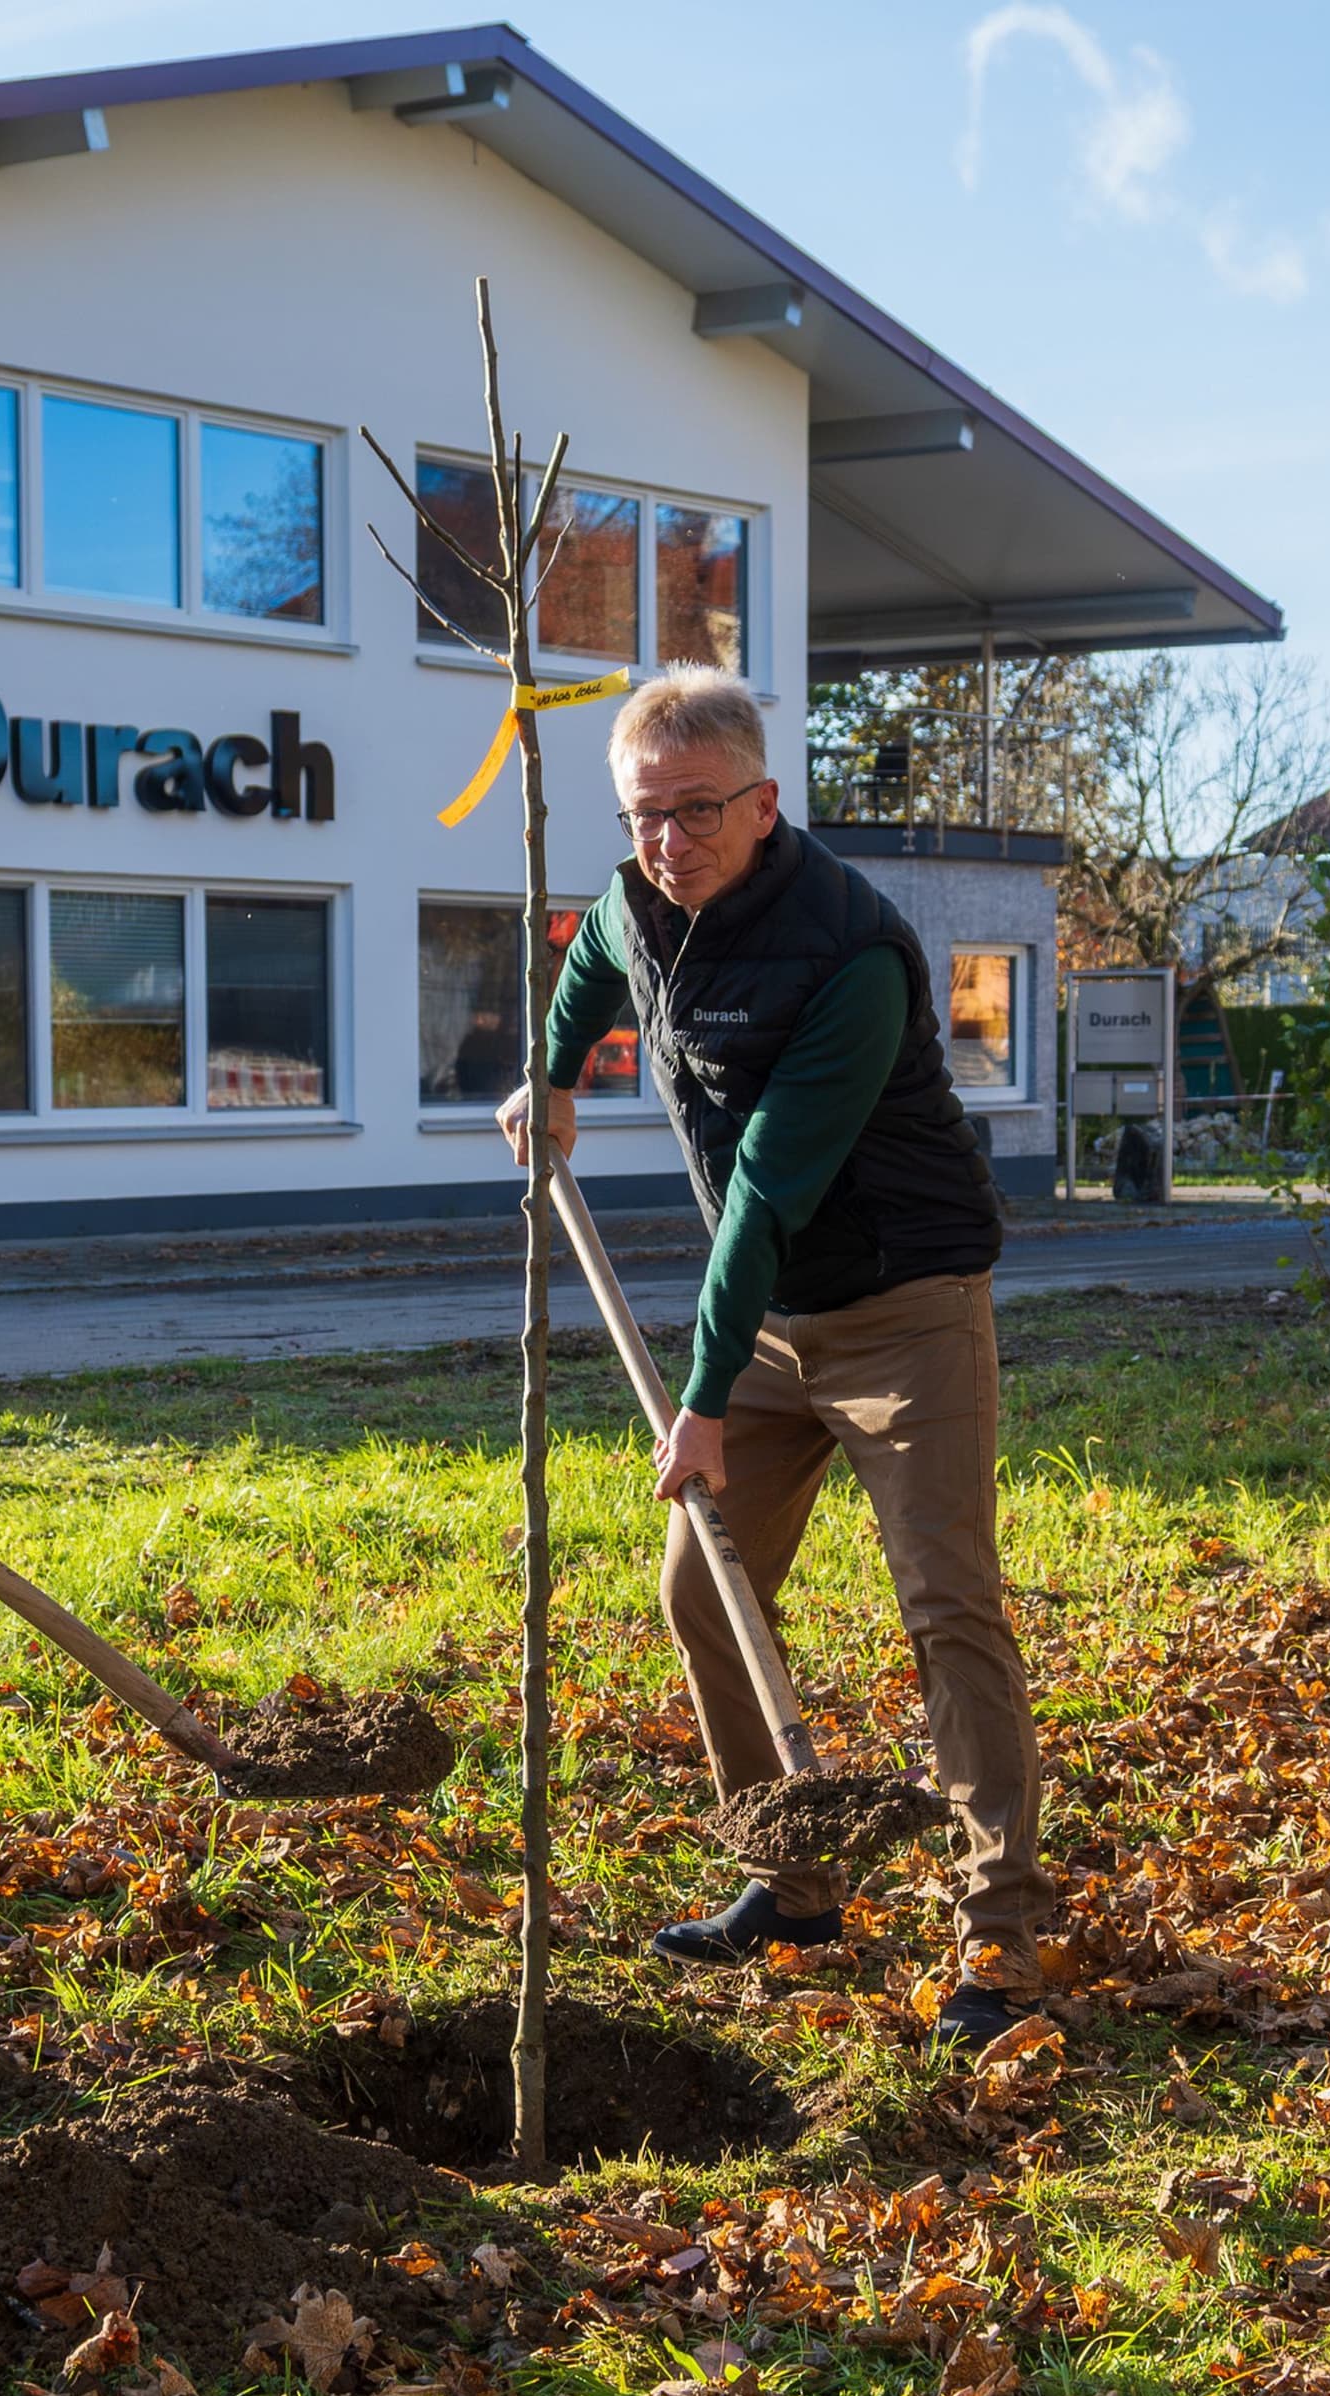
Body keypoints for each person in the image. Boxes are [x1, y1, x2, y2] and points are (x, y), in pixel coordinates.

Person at [499, 665, 1046, 2050]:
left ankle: (1001, 1934)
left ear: (762, 804)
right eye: (643, 817)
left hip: (904, 1306)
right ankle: (791, 1883)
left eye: (695, 812)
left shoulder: (849, 953)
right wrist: (555, 1077)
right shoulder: (639, 900)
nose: (666, 842)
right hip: (774, 1322)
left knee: (949, 1611)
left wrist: (696, 1399)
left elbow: (764, 1192)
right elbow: (589, 965)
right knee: (702, 1587)